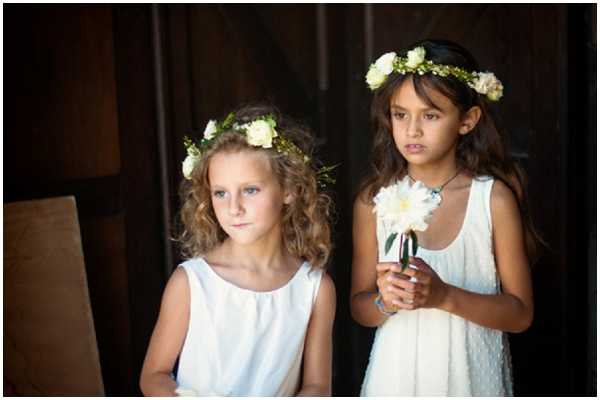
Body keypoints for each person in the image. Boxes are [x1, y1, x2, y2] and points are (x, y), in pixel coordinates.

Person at [351, 39, 540, 396]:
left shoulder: (492, 200)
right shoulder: (373, 201)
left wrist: (443, 296)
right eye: (400, 114)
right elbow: (360, 307)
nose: (412, 130)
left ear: (467, 120)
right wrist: (384, 302)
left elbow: (520, 314)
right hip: (396, 379)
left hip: (471, 381)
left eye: (431, 115)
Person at [140, 105, 336, 396]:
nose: (234, 208)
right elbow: (153, 376)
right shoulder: (192, 282)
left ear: (289, 189)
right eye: (221, 193)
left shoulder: (313, 288)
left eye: (250, 190)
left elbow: (317, 386)